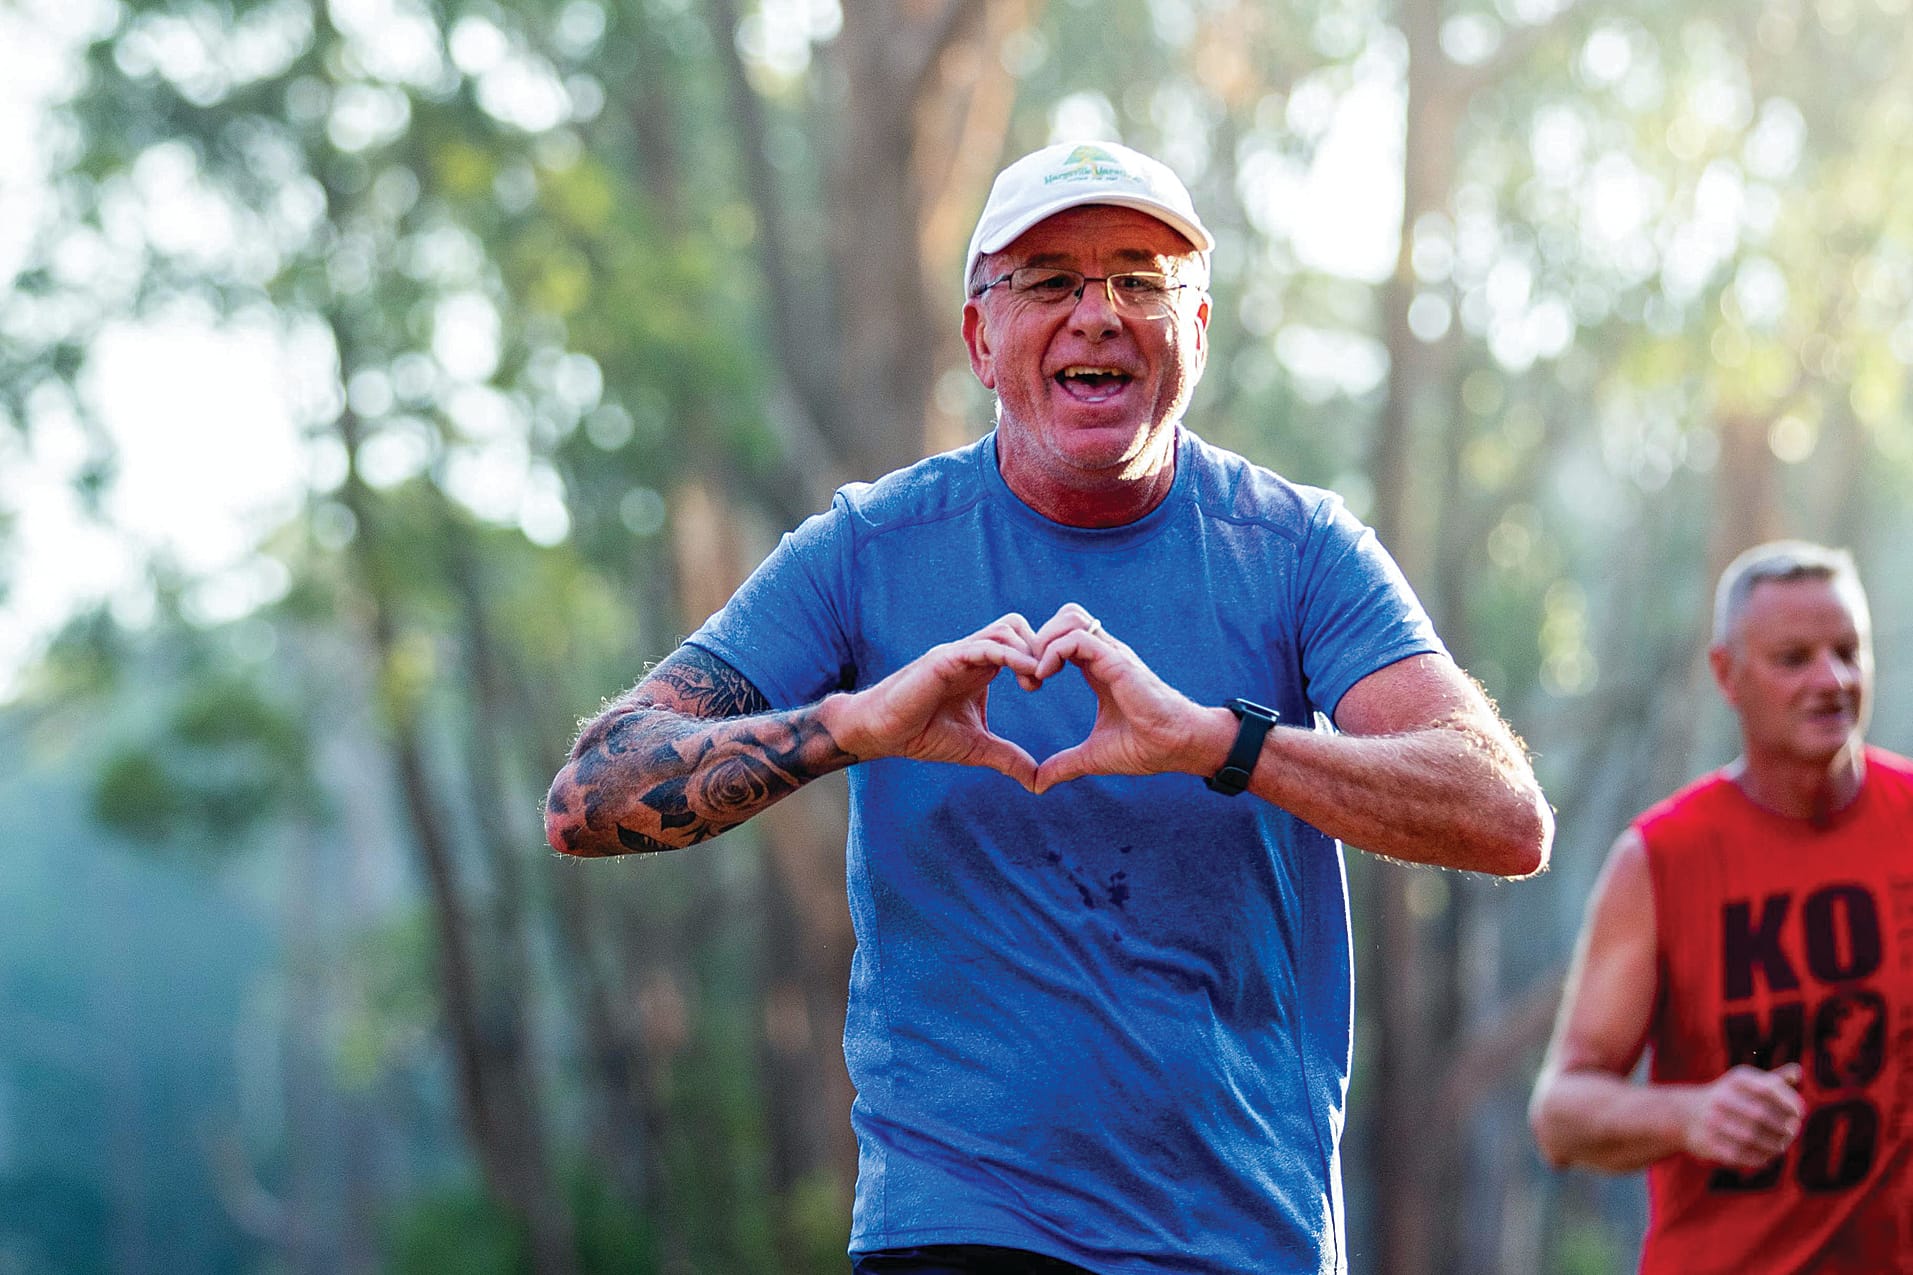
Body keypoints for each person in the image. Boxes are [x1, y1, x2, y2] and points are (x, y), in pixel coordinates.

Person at [546, 139, 1552, 1275]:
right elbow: (587, 798)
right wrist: (852, 727)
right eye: (1049, 279)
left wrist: (1215, 741)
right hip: (958, 1227)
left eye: (1138, 279)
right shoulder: (868, 548)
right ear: (980, 337)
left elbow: (1502, 816)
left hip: (1242, 1238)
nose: (1098, 314)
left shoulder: (1297, 549)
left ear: (1196, 330)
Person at [1529, 541, 1912, 1273]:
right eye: (1793, 658)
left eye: (1847, 651)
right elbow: (1559, 1114)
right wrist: (1689, 1113)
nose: (1831, 680)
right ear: (1725, 674)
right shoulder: (1660, 859)